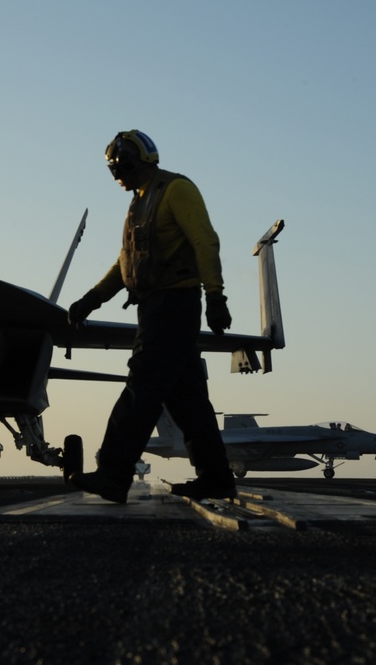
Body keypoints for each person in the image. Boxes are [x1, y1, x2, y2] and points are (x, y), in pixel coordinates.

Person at [67, 130, 235, 503]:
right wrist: (92, 299)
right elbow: (126, 262)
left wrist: (216, 296)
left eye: (118, 168)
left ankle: (113, 473)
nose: (116, 177)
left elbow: (205, 240)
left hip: (174, 305)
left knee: (141, 388)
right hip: (156, 307)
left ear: (130, 163)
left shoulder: (176, 190)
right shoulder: (139, 202)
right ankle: (217, 477)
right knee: (187, 400)